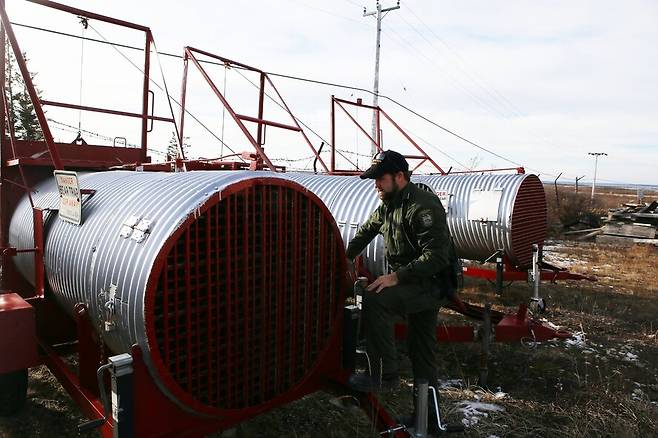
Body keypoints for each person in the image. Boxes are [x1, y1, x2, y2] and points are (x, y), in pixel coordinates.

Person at [345, 150, 454, 401]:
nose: (376, 185)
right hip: (415, 281)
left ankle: (383, 374)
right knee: (421, 349)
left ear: (399, 176)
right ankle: (428, 419)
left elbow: (437, 257)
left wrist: (396, 277)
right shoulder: (388, 205)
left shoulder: (422, 206)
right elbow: (366, 231)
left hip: (432, 282)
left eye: (380, 179)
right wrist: (346, 256)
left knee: (376, 298)